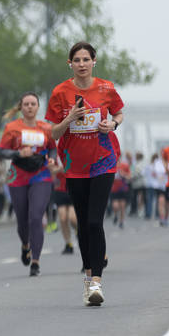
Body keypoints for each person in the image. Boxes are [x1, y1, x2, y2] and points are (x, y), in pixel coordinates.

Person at [45, 42, 124, 306]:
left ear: (94, 62)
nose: (81, 64)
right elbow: (53, 133)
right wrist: (70, 119)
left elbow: (120, 113)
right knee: (82, 222)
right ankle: (88, 278)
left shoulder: (106, 88)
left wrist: (111, 123)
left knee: (94, 222)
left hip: (103, 161)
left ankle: (97, 283)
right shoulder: (60, 92)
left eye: (85, 59)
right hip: (73, 165)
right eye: (76, 60)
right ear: (70, 64)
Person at [0, 92, 58, 277]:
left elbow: (52, 149)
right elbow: (2, 152)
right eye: (26, 104)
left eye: (33, 104)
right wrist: (17, 154)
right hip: (18, 175)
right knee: (22, 219)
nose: (30, 107)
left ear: (38, 107)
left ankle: (35, 261)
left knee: (35, 217)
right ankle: (25, 245)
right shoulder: (12, 127)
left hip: (40, 175)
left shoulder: (46, 128)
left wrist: (52, 160)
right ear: (21, 107)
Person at [109, 154, 131, 229]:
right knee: (115, 206)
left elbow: (129, 177)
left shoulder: (124, 165)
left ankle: (121, 222)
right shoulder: (110, 165)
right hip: (114, 189)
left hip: (123, 189)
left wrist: (123, 174)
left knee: (122, 206)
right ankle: (115, 215)